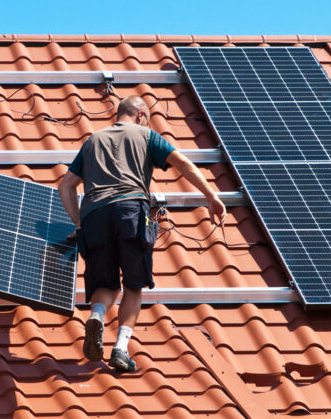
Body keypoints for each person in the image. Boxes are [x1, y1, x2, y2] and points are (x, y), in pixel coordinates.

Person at [58, 95, 226, 373]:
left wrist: (79, 225)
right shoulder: (147, 135)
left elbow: (66, 187)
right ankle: (121, 349)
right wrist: (211, 195)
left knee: (106, 283)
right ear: (140, 115)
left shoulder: (91, 142)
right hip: (130, 211)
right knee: (134, 284)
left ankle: (97, 315)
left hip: (94, 216)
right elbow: (181, 162)